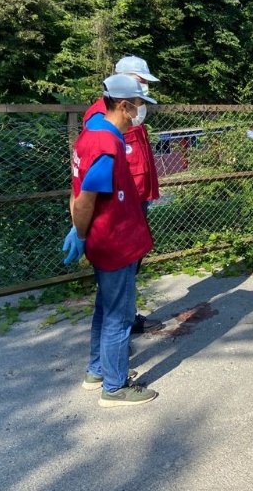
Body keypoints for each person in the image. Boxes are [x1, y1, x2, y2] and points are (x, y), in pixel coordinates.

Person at [63, 74, 159, 407]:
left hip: (105, 239)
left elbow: (76, 189)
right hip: (115, 242)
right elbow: (86, 198)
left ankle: (97, 371)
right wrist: (80, 231)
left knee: (105, 309)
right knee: (119, 316)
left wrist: (81, 231)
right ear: (123, 105)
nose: (139, 112)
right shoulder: (107, 144)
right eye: (138, 105)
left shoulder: (90, 135)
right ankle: (115, 387)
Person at [82, 55, 162, 335]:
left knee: (130, 267)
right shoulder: (101, 116)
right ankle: (119, 328)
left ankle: (126, 316)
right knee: (119, 271)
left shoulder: (130, 110)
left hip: (136, 197)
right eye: (140, 82)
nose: (144, 89)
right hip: (120, 203)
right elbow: (94, 167)